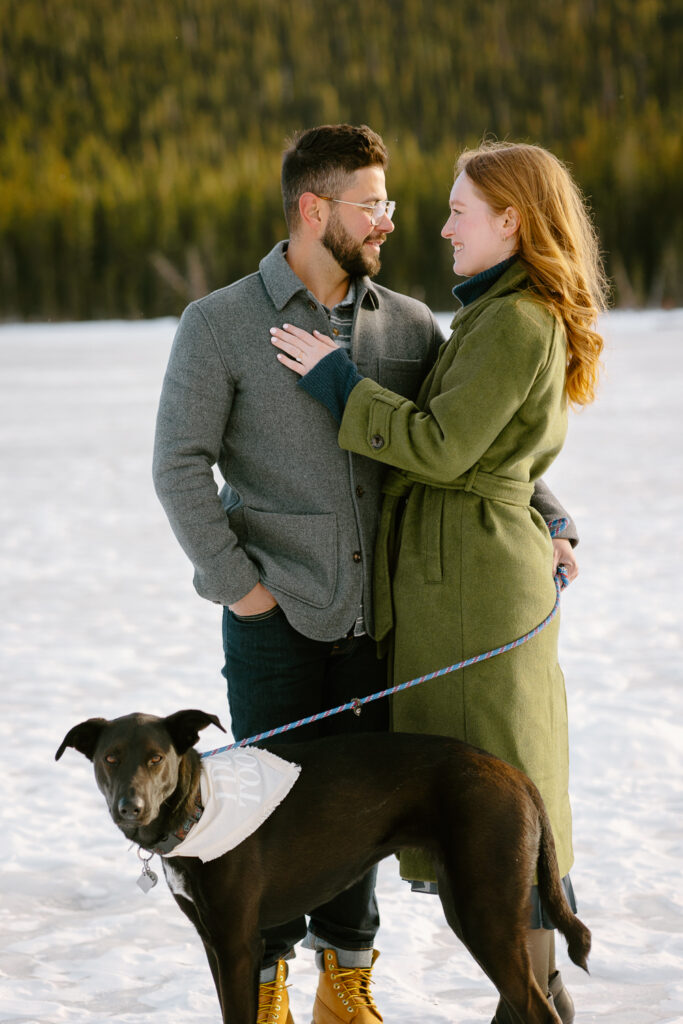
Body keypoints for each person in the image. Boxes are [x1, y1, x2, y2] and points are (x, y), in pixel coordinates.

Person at [153, 126, 579, 1024]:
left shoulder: (411, 325)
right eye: (372, 205)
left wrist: (549, 514)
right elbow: (179, 467)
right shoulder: (221, 323)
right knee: (255, 821)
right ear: (316, 209)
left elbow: (472, 441)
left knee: (356, 821)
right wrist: (241, 588)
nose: (390, 222)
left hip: (380, 621)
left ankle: (345, 985)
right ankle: (262, 989)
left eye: (389, 205)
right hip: (274, 623)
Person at [271, 140, 607, 1024]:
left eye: (460, 210)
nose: (442, 224)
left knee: (499, 782)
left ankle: (533, 999)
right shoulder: (498, 314)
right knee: (490, 782)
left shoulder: (515, 320)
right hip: (462, 575)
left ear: (511, 220)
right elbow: (494, 443)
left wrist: (337, 381)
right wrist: (556, 515)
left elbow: (446, 446)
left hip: (476, 589)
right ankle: (533, 995)